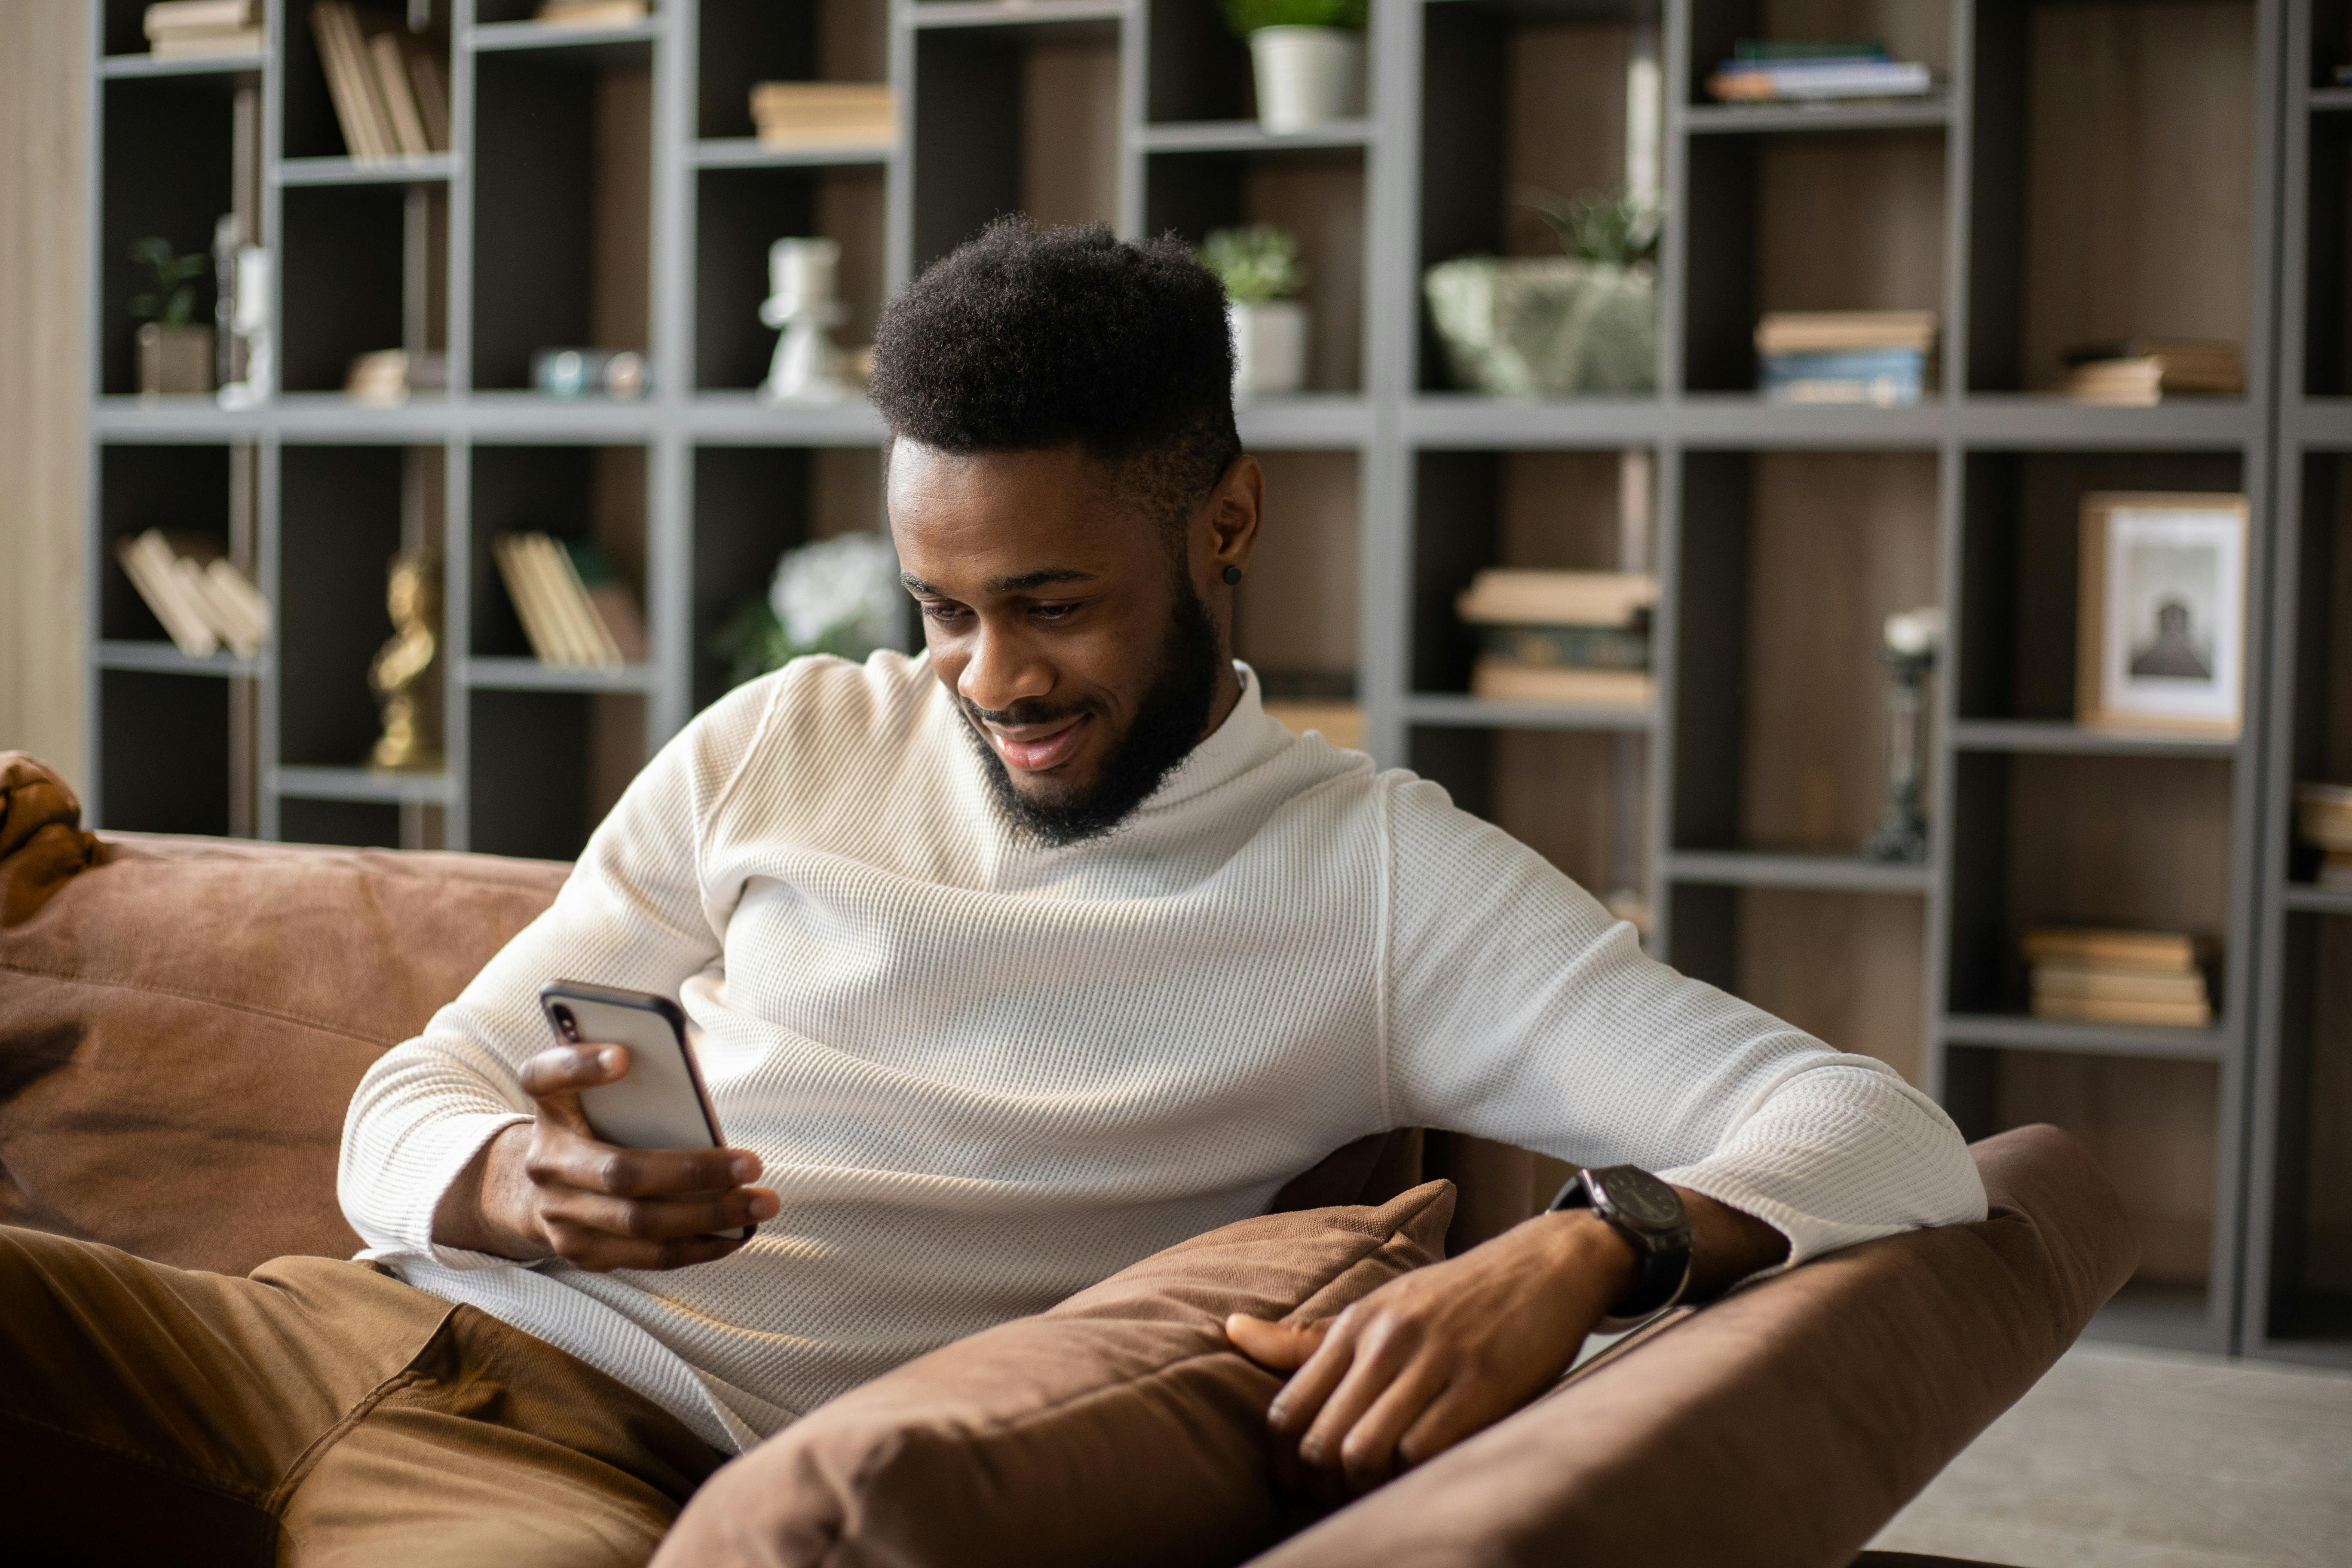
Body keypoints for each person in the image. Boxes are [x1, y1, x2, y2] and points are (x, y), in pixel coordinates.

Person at [0, 220, 1984, 1562]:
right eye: (940, 607)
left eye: (1052, 605)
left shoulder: (1378, 882)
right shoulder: (792, 733)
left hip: (604, 1466)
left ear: (1226, 523)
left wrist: (1584, 1252)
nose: (988, 678)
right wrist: (513, 1185)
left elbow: (1884, 1134)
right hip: (306, 1324)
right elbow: (413, 1090)